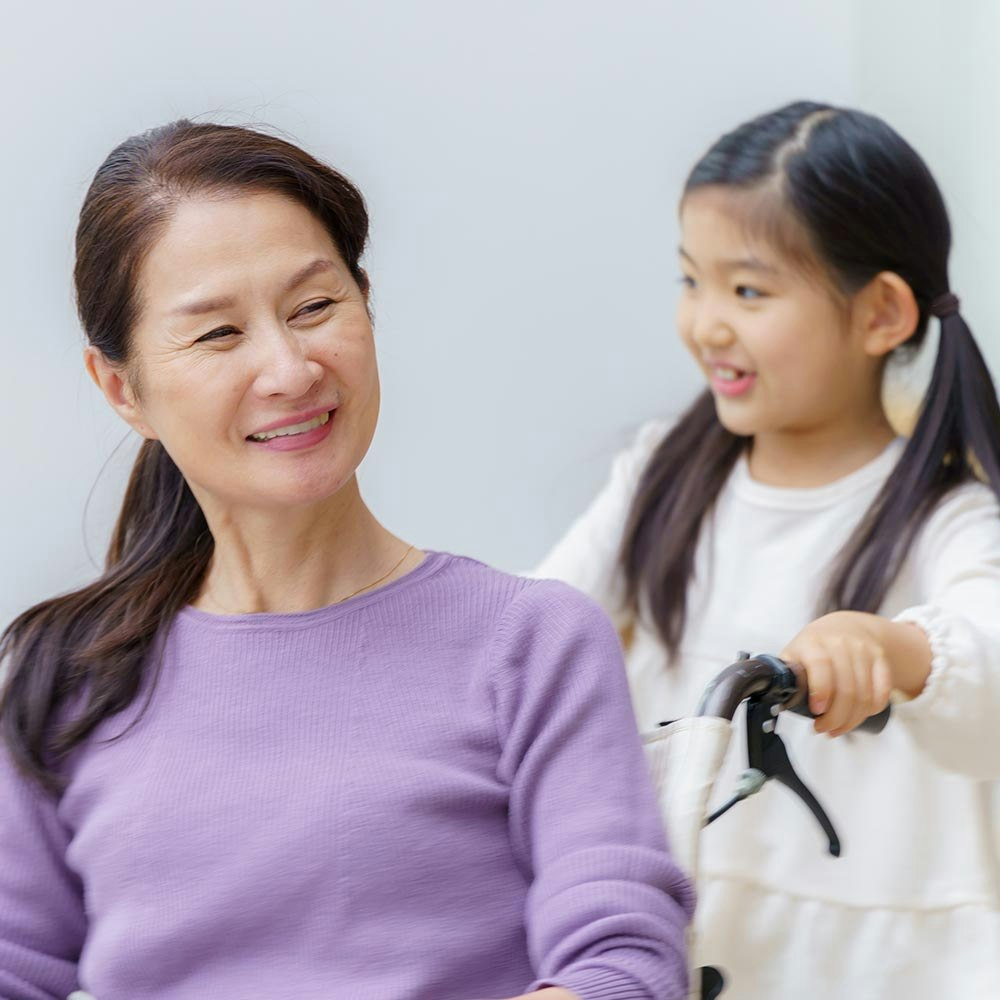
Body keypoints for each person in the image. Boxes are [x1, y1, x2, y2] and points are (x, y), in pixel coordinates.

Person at [0, 121, 693, 1000]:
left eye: (315, 308)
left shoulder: (530, 643)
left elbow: (622, 965)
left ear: (366, 302)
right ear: (122, 389)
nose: (290, 369)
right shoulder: (65, 675)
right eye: (218, 334)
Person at [534, 101, 1000, 998]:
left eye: (748, 291)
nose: (707, 324)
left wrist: (893, 647)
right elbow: (542, 629)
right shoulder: (662, 477)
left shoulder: (945, 515)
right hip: (696, 932)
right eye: (691, 281)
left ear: (882, 315)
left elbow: (988, 673)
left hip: (894, 968)